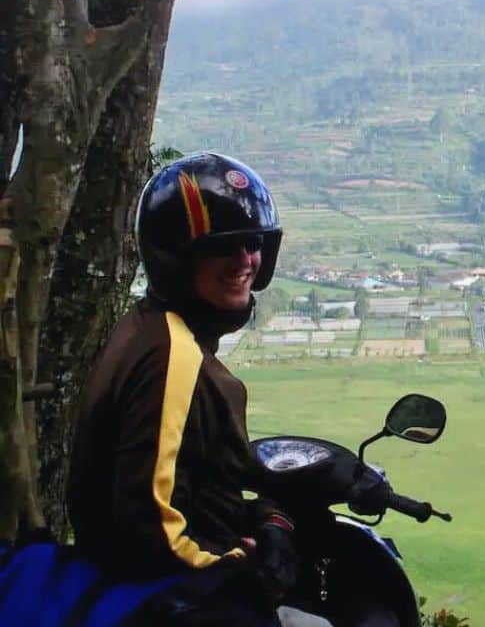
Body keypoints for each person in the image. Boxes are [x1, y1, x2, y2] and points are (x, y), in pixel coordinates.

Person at [67, 153, 324, 627]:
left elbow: (186, 486)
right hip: (174, 601)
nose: (245, 260)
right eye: (224, 247)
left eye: (254, 243)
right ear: (176, 259)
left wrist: (264, 518)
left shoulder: (150, 327)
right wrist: (239, 567)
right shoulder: (173, 354)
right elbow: (150, 526)